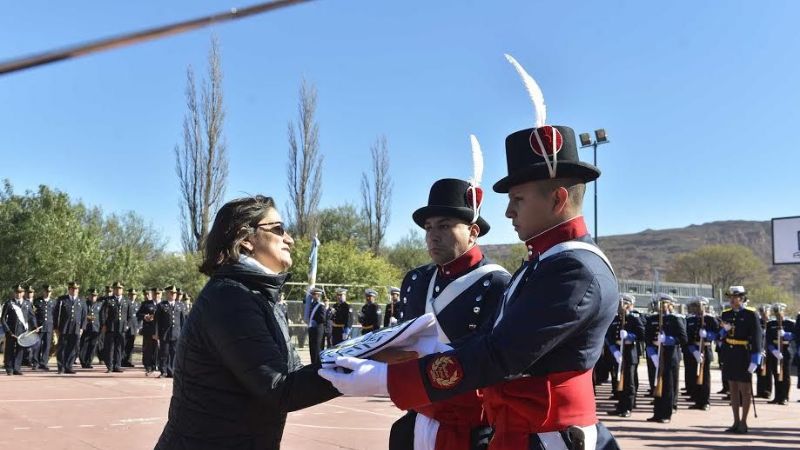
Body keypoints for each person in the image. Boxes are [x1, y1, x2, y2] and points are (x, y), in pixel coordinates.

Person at [320, 65, 620, 449]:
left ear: (558, 199)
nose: (509, 212)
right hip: (518, 430)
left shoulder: (574, 268)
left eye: (518, 200)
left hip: (548, 437)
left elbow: (500, 353)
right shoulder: (546, 262)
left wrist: (388, 379)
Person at [155, 195, 339, 449]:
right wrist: (363, 366)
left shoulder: (258, 296)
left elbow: (294, 374)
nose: (290, 239)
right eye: (279, 229)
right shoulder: (231, 297)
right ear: (246, 239)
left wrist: (365, 352)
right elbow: (280, 388)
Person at [389, 177, 511, 450]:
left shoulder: (498, 284)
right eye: (429, 227)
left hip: (472, 429)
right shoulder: (416, 280)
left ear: (473, 232)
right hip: (417, 416)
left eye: (444, 225)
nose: (433, 235)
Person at [719, 285, 762, 434]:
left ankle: (744, 422)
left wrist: (755, 359)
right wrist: (723, 331)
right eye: (730, 297)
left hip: (744, 354)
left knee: (745, 390)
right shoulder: (726, 314)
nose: (731, 300)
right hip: (730, 354)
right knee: (733, 389)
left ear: (742, 298)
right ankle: (735, 421)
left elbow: (757, 337)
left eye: (734, 297)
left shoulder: (751, 314)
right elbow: (722, 336)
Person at [645, 294, 687, 423]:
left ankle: (666, 414)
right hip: (655, 356)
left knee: (668, 386)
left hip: (669, 356)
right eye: (659, 303)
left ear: (670, 304)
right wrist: (652, 354)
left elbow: (683, 338)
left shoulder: (675, 319)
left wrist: (668, 340)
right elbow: (647, 339)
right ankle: (657, 412)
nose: (660, 306)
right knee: (656, 384)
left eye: (663, 303)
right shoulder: (652, 319)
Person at [607, 294, 645, 417]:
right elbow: (609, 337)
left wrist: (629, 336)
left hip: (629, 352)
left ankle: (628, 406)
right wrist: (614, 351)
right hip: (618, 352)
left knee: (629, 381)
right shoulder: (615, 319)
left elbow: (642, 334)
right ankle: (620, 405)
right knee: (619, 380)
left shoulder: (634, 318)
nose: (620, 307)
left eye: (623, 304)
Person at [685, 296, 719, 410]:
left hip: (705, 348)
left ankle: (705, 401)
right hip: (693, 350)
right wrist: (694, 351)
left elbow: (717, 335)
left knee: (705, 377)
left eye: (698, 306)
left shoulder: (710, 319)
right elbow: (687, 338)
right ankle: (697, 399)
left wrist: (707, 335)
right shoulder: (690, 320)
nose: (696, 308)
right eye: (695, 306)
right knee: (693, 376)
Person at [100, 281, 134, 373]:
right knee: (110, 347)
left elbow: (130, 316)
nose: (118, 290)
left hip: (122, 328)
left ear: (122, 290)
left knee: (119, 347)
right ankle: (110, 366)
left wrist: (127, 326)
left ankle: (117, 365)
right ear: (113, 290)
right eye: (116, 289)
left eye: (120, 289)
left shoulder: (127, 301)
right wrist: (103, 324)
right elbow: (103, 313)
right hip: (110, 327)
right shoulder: (108, 300)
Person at [2, 284, 36, 375]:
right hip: (11, 331)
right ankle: (9, 368)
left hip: (22, 331)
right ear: (14, 293)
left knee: (20, 350)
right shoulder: (9, 303)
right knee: (9, 350)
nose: (18, 294)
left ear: (23, 293)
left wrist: (35, 326)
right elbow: (3, 319)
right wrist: (8, 331)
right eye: (17, 292)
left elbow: (31, 317)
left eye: (20, 292)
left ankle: (17, 368)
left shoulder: (27, 304)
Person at [154, 285, 187, 378]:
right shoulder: (161, 305)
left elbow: (183, 321)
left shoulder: (180, 305)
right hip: (165, 333)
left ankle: (171, 370)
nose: (173, 295)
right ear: (167, 294)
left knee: (174, 352)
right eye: (172, 293)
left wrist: (184, 333)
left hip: (176, 333)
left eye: (175, 293)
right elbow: (156, 321)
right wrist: (156, 333)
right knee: (164, 352)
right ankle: (163, 371)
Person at [54, 281, 86, 374]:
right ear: (69, 289)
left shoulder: (81, 300)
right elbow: (56, 314)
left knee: (73, 347)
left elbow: (84, 316)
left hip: (76, 328)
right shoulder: (62, 300)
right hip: (64, 327)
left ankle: (69, 366)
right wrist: (56, 327)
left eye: (76, 289)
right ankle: (61, 367)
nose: (74, 291)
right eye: (72, 289)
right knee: (62, 347)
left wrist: (82, 328)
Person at [765, 303, 794, 405]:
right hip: (775, 351)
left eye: (780, 312)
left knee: (785, 375)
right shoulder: (771, 324)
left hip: (786, 350)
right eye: (776, 312)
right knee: (776, 374)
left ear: (784, 312)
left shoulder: (790, 323)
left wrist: (786, 334)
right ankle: (777, 396)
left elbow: (795, 336)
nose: (778, 315)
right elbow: (768, 340)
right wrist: (773, 350)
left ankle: (784, 397)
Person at [32, 284, 56, 371]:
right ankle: (35, 363)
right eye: (47, 291)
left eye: (49, 292)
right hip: (39, 327)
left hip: (49, 327)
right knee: (37, 346)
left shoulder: (53, 302)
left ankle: (44, 363)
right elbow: (33, 315)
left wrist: (55, 326)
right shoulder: (37, 301)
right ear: (43, 292)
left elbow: (55, 315)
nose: (48, 293)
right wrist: (35, 326)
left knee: (47, 346)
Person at [137, 287, 160, 375]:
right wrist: (145, 316)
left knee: (157, 349)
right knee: (148, 349)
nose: (156, 296)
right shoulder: (146, 304)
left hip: (158, 330)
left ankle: (156, 365)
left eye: (158, 294)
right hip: (148, 329)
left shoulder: (163, 304)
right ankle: (148, 366)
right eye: (155, 294)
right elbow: (138, 314)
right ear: (152, 294)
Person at [79, 288, 103, 369]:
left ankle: (88, 362)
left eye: (95, 296)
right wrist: (86, 318)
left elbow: (101, 316)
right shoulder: (84, 303)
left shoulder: (100, 304)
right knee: (84, 345)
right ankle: (83, 361)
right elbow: (80, 314)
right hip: (86, 327)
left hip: (96, 328)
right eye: (92, 295)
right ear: (89, 296)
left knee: (93, 346)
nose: (93, 297)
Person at [755, 304, 772, 399]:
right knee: (759, 370)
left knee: (768, 371)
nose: (764, 314)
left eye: (765, 312)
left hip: (770, 349)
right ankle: (760, 390)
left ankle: (767, 391)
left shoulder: (771, 323)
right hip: (760, 349)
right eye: (762, 312)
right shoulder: (758, 322)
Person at [306, 287, 326, 365]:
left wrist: (316, 321)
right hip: (312, 329)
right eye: (312, 294)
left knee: (317, 348)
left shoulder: (321, 305)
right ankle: (313, 364)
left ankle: (318, 364)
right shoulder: (312, 304)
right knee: (312, 347)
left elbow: (323, 318)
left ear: (318, 295)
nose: (312, 296)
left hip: (318, 329)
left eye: (314, 294)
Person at [123, 288, 141, 367]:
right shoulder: (125, 303)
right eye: (131, 295)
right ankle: (122, 360)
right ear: (128, 295)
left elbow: (139, 317)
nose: (132, 296)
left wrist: (139, 326)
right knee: (124, 344)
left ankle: (128, 360)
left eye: (134, 295)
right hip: (126, 327)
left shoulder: (138, 304)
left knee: (130, 345)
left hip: (134, 327)